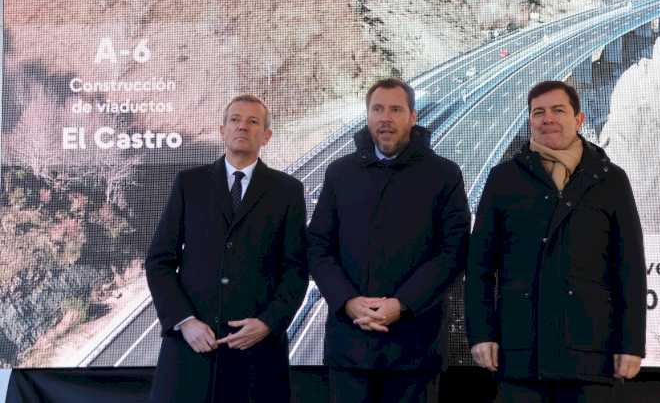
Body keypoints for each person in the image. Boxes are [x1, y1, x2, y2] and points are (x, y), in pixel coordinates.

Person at [465, 81, 646, 403]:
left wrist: (631, 343)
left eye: (558, 110)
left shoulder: (611, 179)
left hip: (590, 352)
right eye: (539, 112)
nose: (547, 118)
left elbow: (629, 268)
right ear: (530, 120)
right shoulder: (503, 178)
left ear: (579, 119)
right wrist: (481, 335)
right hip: (520, 353)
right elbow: (479, 267)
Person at [307, 78, 470, 403]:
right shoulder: (340, 173)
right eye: (378, 109)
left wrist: (402, 304)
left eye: (396, 109)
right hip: (349, 347)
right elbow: (318, 246)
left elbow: (453, 252)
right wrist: (348, 302)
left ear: (412, 116)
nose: (386, 117)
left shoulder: (444, 174)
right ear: (367, 116)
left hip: (414, 349)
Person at [145, 94, 308, 403]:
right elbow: (159, 262)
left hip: (255, 355)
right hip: (191, 351)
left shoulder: (287, 191)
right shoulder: (189, 184)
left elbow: (296, 270)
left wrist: (267, 323)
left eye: (253, 121)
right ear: (222, 130)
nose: (242, 127)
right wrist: (185, 321)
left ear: (267, 136)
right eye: (235, 119)